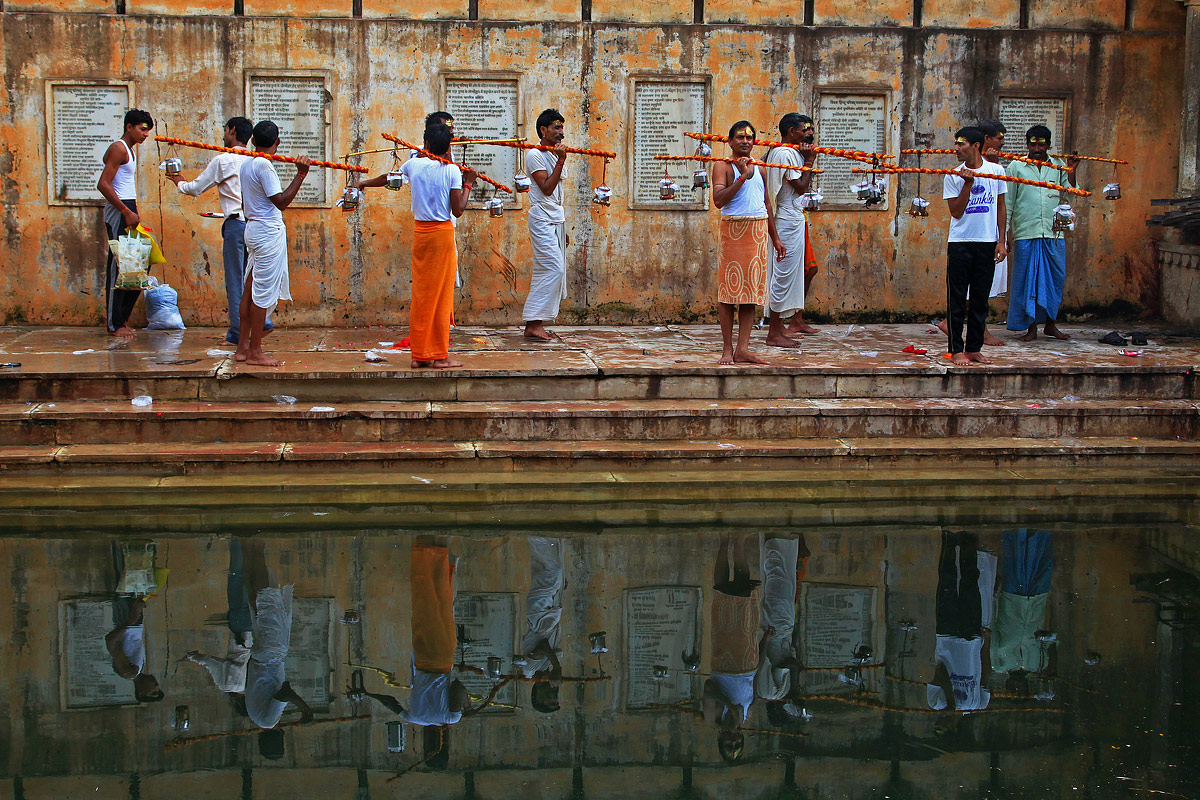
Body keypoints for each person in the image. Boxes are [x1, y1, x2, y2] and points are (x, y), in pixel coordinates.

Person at [166, 116, 271, 345]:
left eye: (225, 131)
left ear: (232, 131)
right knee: (254, 279)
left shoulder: (223, 160)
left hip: (236, 225)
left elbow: (195, 188)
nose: (224, 135)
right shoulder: (257, 160)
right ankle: (263, 321)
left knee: (236, 281)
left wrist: (178, 182)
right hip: (255, 225)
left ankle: (237, 332)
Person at [397, 124, 475, 368]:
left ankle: (419, 355)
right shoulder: (451, 170)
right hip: (441, 234)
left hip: (421, 234)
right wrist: (468, 184)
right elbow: (458, 210)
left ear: (426, 145)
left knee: (422, 295)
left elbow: (390, 179)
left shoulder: (413, 165)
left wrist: (364, 183)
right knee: (441, 296)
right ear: (448, 148)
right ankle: (440, 356)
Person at [235, 121, 311, 367]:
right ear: (277, 142)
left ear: (253, 141)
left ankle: (242, 347)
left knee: (250, 289)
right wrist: (301, 175)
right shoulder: (263, 165)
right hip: (266, 232)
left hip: (253, 229)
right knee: (261, 294)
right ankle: (255, 350)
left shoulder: (247, 162)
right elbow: (281, 202)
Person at [711, 121, 787, 366]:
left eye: (750, 138)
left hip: (756, 231)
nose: (745, 141)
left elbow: (766, 204)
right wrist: (743, 177)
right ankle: (727, 349)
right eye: (740, 137)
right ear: (730, 141)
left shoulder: (762, 169)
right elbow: (719, 200)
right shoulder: (722, 166)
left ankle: (743, 349)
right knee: (727, 294)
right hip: (733, 230)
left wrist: (775, 238)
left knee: (749, 294)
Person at [1006, 125, 1081, 341]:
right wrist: (1005, 235)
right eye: (1033, 143)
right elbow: (1009, 202)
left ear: (1048, 144)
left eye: (1041, 144)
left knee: (1054, 279)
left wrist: (1072, 170)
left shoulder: (1059, 166)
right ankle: (1031, 327)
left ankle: (1050, 324)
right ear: (1027, 144)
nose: (1037, 148)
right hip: (1025, 232)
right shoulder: (1016, 166)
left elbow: (1069, 197)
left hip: (1053, 232)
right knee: (1026, 280)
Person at [937, 120, 1008, 347]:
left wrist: (1001, 241)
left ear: (976, 145)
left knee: (980, 300)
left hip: (987, 241)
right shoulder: (953, 175)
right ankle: (956, 349)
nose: (956, 149)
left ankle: (975, 348)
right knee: (957, 299)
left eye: (961, 144)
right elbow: (955, 212)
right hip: (960, 242)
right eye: (955, 144)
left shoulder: (996, 171)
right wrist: (967, 184)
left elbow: (1000, 207)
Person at [241, 538, 312, 758]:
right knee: (257, 601)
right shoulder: (255, 717)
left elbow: (283, 693)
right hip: (261, 656)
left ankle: (258, 545)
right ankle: (248, 548)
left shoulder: (269, 721)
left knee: (268, 597)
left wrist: (305, 709)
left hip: (272, 655)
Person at [703, 533, 770, 763]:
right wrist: (765, 641)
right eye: (738, 744)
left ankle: (724, 541)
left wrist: (730, 707)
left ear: (721, 741)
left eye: (729, 744)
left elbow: (709, 688)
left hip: (725, 659)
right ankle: (740, 542)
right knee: (745, 592)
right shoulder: (747, 716)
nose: (734, 740)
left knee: (723, 593)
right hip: (749, 653)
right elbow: (754, 679)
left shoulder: (713, 719)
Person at [927, 531, 997, 722]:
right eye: (947, 724)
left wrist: (950, 704)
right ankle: (968, 542)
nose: (945, 719)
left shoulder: (936, 703)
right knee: (970, 584)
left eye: (941, 723)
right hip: (972, 638)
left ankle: (949, 539)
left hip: (947, 636)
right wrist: (987, 642)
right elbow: (985, 674)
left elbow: (940, 671)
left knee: (947, 580)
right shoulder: (977, 705)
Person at [96, 109, 154, 338]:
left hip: (129, 208)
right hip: (120, 210)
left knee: (138, 264)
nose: (145, 135)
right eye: (141, 129)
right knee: (117, 266)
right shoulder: (119, 148)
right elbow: (103, 184)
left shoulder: (128, 150)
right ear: (129, 127)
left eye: (147, 130)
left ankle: (121, 319)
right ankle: (113, 324)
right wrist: (125, 211)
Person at [764, 113, 818, 347]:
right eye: (804, 129)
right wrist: (808, 163)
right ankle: (773, 332)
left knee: (790, 275)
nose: (809, 133)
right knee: (782, 275)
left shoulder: (786, 152)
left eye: (811, 129)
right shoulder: (785, 153)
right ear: (791, 131)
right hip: (786, 219)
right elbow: (800, 188)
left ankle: (782, 327)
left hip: (793, 218)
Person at [522, 109, 569, 342]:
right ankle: (533, 322)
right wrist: (560, 161)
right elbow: (547, 188)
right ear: (543, 130)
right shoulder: (535, 155)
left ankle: (536, 323)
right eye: (556, 128)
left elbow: (558, 194)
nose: (560, 132)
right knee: (553, 268)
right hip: (541, 218)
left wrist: (563, 227)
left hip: (556, 218)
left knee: (549, 269)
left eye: (561, 128)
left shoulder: (552, 153)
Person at [521, 537, 565, 713]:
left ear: (538, 695)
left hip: (539, 613)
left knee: (552, 571)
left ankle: (537, 533)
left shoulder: (529, 671)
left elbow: (542, 646)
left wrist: (557, 667)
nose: (554, 697)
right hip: (551, 610)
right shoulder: (547, 666)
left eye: (551, 701)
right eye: (557, 700)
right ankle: (550, 533)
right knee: (555, 572)